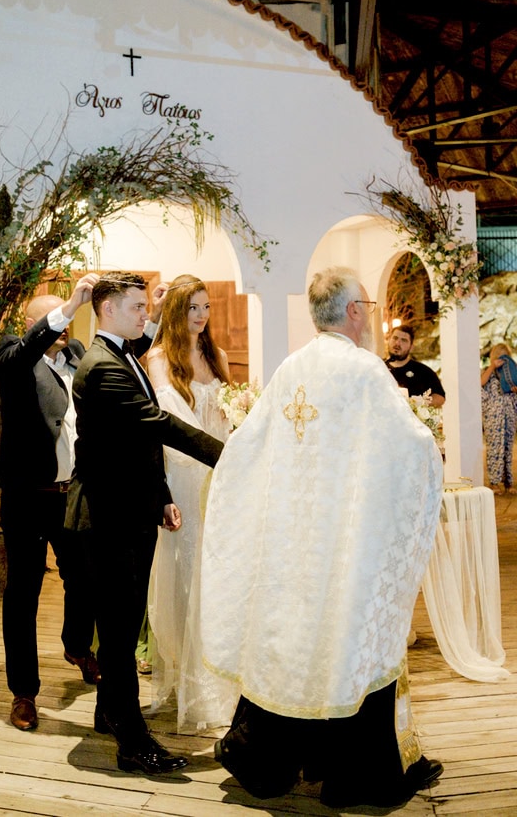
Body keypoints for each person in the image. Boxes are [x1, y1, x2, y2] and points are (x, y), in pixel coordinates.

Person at [199, 267, 444, 809]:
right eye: (369, 305)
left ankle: (270, 757)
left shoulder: (291, 369)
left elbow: (244, 452)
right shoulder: (365, 373)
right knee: (350, 647)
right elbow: (409, 450)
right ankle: (355, 776)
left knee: (295, 647)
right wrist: (431, 447)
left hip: (295, 551)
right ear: (354, 312)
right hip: (347, 548)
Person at [68, 271, 224, 776]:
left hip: (130, 509)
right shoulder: (102, 366)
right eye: (138, 307)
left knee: (120, 626)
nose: (146, 316)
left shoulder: (122, 355)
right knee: (117, 631)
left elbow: (136, 445)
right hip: (108, 519)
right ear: (108, 309)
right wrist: (228, 453)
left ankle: (107, 714)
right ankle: (134, 745)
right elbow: (154, 424)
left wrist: (160, 497)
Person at [0, 273, 101, 732]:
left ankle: (77, 646)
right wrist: (71, 303)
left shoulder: (78, 356)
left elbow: (126, 359)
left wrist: (153, 317)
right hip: (26, 497)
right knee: (23, 594)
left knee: (85, 580)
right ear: (31, 324)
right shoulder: (12, 355)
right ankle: (23, 692)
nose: (65, 325)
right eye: (55, 318)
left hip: (71, 496)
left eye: (69, 316)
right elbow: (23, 352)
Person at [145, 274, 237, 732]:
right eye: (192, 308)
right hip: (184, 475)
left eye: (206, 307)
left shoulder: (217, 356)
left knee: (219, 573)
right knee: (187, 573)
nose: (201, 316)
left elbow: (230, 414)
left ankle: (220, 676)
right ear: (176, 312)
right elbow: (171, 421)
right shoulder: (160, 357)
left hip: (223, 477)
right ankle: (189, 682)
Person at [481, 342, 517, 494]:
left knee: (508, 449)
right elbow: (480, 383)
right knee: (495, 449)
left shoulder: (512, 373)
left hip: (509, 414)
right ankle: (494, 483)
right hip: (493, 417)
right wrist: (492, 367)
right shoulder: (487, 372)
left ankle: (508, 483)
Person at [385, 323, 446, 406]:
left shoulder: (423, 371)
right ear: (388, 340)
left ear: (411, 347)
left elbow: (440, 397)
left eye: (404, 340)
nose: (397, 343)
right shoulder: (379, 367)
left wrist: (419, 403)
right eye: (395, 338)